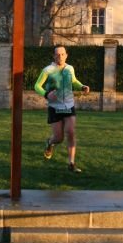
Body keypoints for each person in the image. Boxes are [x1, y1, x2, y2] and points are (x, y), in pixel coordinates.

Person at [34, 45, 90, 173]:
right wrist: (46, 94)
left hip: (69, 105)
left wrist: (82, 86)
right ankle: (50, 143)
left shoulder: (70, 68)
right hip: (55, 107)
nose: (60, 56)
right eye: (58, 54)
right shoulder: (48, 70)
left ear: (66, 55)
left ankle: (71, 163)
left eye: (62, 54)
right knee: (59, 138)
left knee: (71, 132)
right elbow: (37, 85)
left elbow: (74, 81)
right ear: (54, 56)